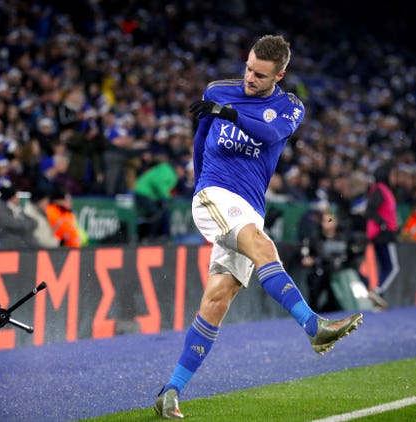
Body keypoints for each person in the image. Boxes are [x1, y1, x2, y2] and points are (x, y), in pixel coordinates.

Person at [154, 35, 363, 420]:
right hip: (214, 195)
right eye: (249, 68)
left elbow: (268, 135)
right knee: (265, 249)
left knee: (216, 302)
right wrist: (201, 187)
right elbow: (200, 141)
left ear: (279, 74)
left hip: (249, 208)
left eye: (260, 74)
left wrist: (230, 115)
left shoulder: (289, 107)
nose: (250, 78)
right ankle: (312, 325)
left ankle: (171, 391)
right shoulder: (218, 90)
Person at [365, 161, 400, 310]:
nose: (395, 178)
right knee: (393, 268)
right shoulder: (381, 189)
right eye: (393, 174)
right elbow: (370, 209)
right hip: (384, 234)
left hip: (382, 233)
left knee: (385, 268)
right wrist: (383, 223)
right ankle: (377, 291)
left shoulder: (383, 190)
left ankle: (378, 301)